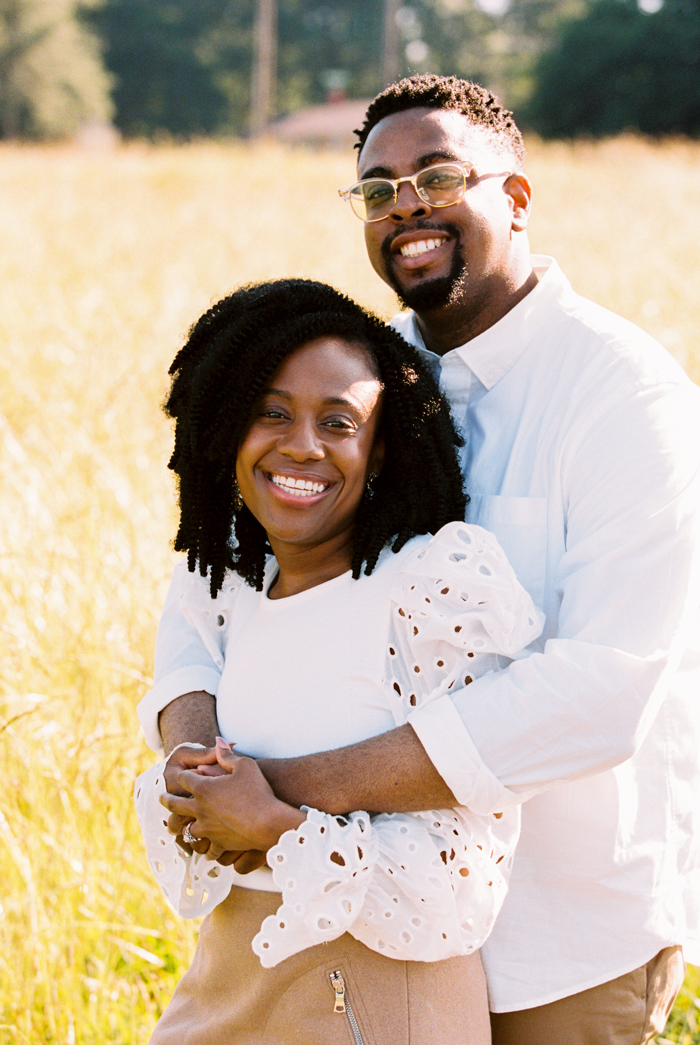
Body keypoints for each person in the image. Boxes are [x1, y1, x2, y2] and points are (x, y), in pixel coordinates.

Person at [139, 76, 700, 1044]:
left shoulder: (625, 395)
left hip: (559, 939)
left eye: (438, 175)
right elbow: (209, 590)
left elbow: (601, 692)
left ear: (515, 197)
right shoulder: (356, 380)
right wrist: (198, 761)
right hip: (361, 936)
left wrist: (280, 793)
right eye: (377, 187)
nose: (407, 204)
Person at [135, 278, 543, 1044]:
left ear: (379, 445)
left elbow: (460, 883)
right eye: (272, 411)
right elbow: (183, 661)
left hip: (377, 995)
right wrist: (191, 775)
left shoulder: (431, 586)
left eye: (338, 421)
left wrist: (278, 822)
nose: (301, 445)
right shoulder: (231, 573)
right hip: (229, 972)